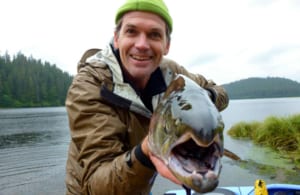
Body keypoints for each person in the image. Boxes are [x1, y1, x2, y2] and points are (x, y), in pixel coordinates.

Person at [65, 0, 229, 194]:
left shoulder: (172, 74)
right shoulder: (90, 86)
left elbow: (220, 92)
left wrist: (204, 98)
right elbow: (97, 183)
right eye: (131, 31)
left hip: (139, 182)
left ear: (166, 45)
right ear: (116, 38)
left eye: (154, 34)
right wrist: (147, 153)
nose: (142, 45)